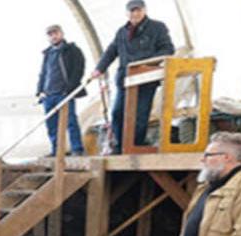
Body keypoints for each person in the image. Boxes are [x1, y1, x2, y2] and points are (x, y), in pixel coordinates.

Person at [91, 0, 175, 153]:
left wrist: (146, 63)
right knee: (117, 112)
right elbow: (111, 51)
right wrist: (99, 68)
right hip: (125, 78)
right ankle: (120, 144)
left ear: (144, 10)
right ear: (126, 13)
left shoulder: (157, 27)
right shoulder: (122, 31)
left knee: (140, 114)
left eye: (138, 10)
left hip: (146, 77)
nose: (134, 14)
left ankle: (136, 144)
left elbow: (168, 49)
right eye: (131, 11)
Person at [38, 25, 87, 156]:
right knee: (51, 125)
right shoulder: (47, 54)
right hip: (49, 95)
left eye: (55, 33)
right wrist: (40, 90)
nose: (53, 36)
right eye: (50, 34)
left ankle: (77, 149)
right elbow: (43, 73)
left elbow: (79, 69)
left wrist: (70, 88)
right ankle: (56, 151)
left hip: (64, 93)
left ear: (61, 33)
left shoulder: (72, 50)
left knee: (70, 122)